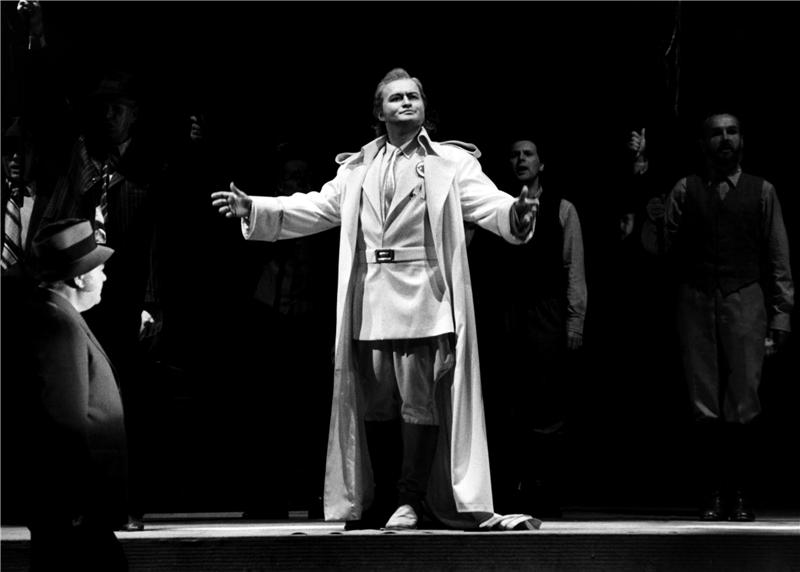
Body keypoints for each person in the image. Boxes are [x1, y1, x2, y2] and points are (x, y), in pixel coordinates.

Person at [212, 68, 540, 531]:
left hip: (424, 297)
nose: (406, 103)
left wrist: (516, 213)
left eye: (413, 97)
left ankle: (410, 499)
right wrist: (259, 208)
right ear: (379, 112)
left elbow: (489, 203)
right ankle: (382, 496)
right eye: (396, 98)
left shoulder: (450, 161)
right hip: (371, 296)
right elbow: (318, 206)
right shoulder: (358, 167)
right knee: (375, 402)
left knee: (419, 401)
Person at [665, 112, 793, 521]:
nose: (725, 139)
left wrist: (781, 314)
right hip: (696, 297)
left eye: (732, 132)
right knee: (702, 400)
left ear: (742, 140)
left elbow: (778, 256)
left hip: (744, 297)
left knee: (744, 398)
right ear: (704, 143)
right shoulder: (686, 188)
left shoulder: (762, 191)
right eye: (717, 133)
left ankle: (740, 494)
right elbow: (663, 247)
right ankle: (712, 493)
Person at [473, 137, 586, 517]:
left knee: (546, 401)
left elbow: (573, 267)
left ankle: (545, 487)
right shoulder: (495, 208)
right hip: (506, 312)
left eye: (528, 154)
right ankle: (511, 486)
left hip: (546, 312)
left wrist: (575, 321)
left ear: (542, 163)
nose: (521, 160)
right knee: (508, 401)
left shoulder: (562, 208)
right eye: (515, 155)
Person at [22, 218, 128, 571]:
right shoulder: (57, 322)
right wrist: (76, 503)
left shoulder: (56, 314)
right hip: (75, 514)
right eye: (100, 268)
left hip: (77, 512)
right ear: (80, 278)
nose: (105, 277)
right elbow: (64, 420)